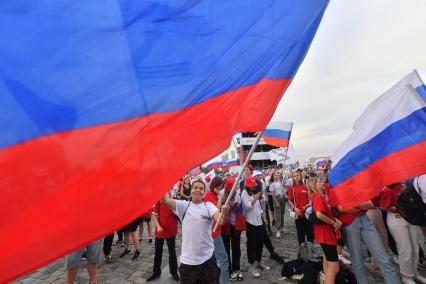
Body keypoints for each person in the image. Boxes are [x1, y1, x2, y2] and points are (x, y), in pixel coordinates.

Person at [161, 179, 229, 284]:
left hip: (208, 260)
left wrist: (224, 214)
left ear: (204, 192)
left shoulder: (208, 206)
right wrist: (163, 185)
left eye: (201, 188)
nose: (198, 190)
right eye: (195, 187)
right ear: (191, 190)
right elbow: (165, 202)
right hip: (188, 262)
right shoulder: (184, 205)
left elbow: (221, 221)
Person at [329, 190, 402, 284]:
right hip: (350, 223)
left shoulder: (358, 184)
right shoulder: (336, 187)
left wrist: (355, 206)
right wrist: (361, 206)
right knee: (358, 260)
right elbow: (342, 208)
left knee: (383, 257)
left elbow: (371, 204)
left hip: (363, 219)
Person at [381, 182, 426, 284]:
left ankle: (415, 273)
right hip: (397, 219)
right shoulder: (387, 190)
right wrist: (402, 208)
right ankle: (406, 276)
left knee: (415, 248)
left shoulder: (405, 186)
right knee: (405, 249)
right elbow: (384, 207)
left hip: (410, 218)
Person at [307, 177, 341, 284]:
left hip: (324, 233)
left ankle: (325, 279)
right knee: (334, 265)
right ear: (314, 185)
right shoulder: (318, 197)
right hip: (325, 233)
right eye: (320, 182)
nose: (322, 183)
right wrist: (333, 222)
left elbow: (325, 213)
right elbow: (319, 215)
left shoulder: (319, 196)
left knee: (327, 259)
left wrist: (334, 219)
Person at [147, 190, 179, 282]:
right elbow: (155, 215)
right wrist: (158, 226)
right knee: (158, 252)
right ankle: (156, 272)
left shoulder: (173, 201)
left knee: (172, 252)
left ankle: (174, 272)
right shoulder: (159, 200)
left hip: (171, 230)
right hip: (160, 230)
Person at [241, 176, 270, 278]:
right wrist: (256, 198)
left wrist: (264, 218)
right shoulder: (244, 193)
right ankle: (251, 265)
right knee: (251, 245)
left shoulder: (254, 192)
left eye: (254, 185)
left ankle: (259, 262)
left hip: (259, 221)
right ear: (248, 185)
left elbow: (259, 207)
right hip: (250, 222)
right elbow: (247, 206)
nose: (254, 187)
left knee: (260, 243)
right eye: (252, 185)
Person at [204, 176, 230, 284]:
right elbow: (216, 211)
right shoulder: (209, 195)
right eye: (219, 186)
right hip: (213, 232)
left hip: (216, 230)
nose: (221, 188)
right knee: (223, 259)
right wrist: (219, 197)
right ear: (214, 185)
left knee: (215, 260)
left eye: (222, 186)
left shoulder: (214, 194)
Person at [288, 171, 314, 245]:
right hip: (298, 213)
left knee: (310, 233)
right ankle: (302, 251)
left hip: (307, 212)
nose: (296, 177)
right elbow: (289, 200)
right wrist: (294, 208)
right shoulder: (291, 188)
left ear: (301, 176)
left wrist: (309, 204)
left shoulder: (306, 186)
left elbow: (310, 198)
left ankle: (311, 249)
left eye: (298, 175)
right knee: (300, 233)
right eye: (294, 176)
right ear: (292, 178)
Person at [270, 171, 286, 239]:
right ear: (273, 176)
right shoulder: (272, 184)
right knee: (278, 215)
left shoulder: (280, 183)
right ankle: (277, 230)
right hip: (277, 198)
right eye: (275, 175)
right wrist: (276, 202)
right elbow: (273, 195)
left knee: (282, 213)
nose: (276, 176)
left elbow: (283, 190)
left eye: (278, 175)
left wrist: (285, 196)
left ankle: (282, 227)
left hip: (282, 198)